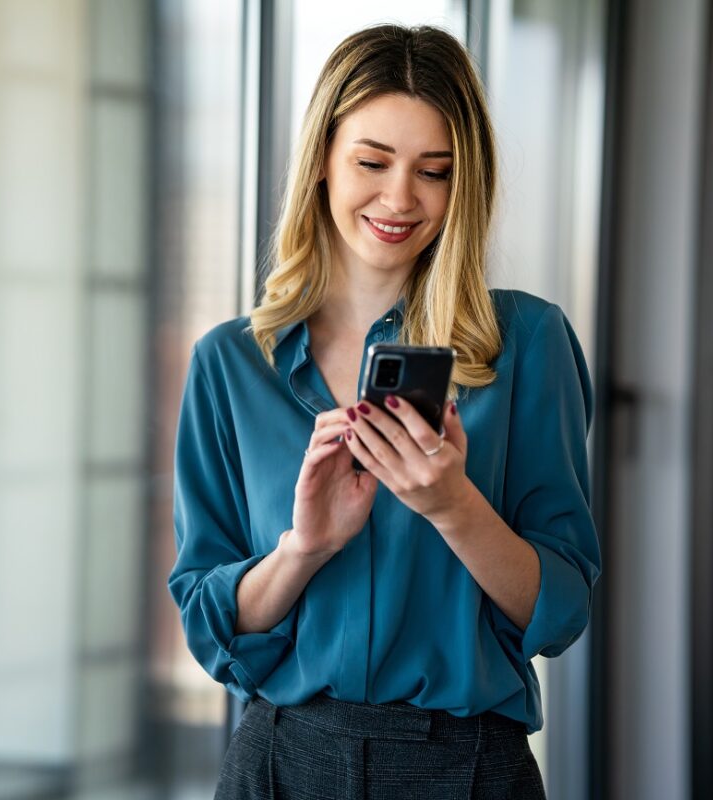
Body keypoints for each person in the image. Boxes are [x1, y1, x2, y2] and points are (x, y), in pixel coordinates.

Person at [167, 23, 600, 800]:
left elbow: (561, 607)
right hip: (278, 762)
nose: (400, 199)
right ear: (323, 162)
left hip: (464, 769)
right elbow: (211, 619)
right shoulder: (230, 365)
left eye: (434, 171)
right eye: (372, 162)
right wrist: (303, 547)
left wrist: (454, 507)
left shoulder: (530, 345)